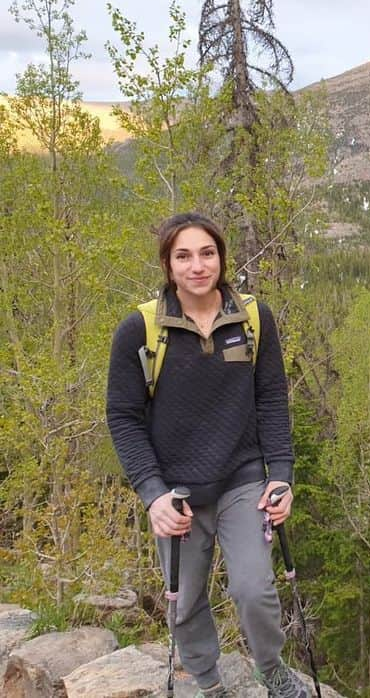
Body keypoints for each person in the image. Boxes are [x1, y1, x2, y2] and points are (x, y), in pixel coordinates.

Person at [107, 212, 309, 698]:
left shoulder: (254, 319)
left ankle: (270, 668)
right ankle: (208, 680)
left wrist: (280, 475)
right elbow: (124, 418)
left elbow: (271, 401)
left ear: (221, 257)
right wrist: (153, 495)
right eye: (184, 256)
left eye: (207, 253)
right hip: (176, 492)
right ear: (167, 265)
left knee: (255, 589)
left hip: (241, 480)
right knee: (186, 600)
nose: (197, 266)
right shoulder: (140, 329)